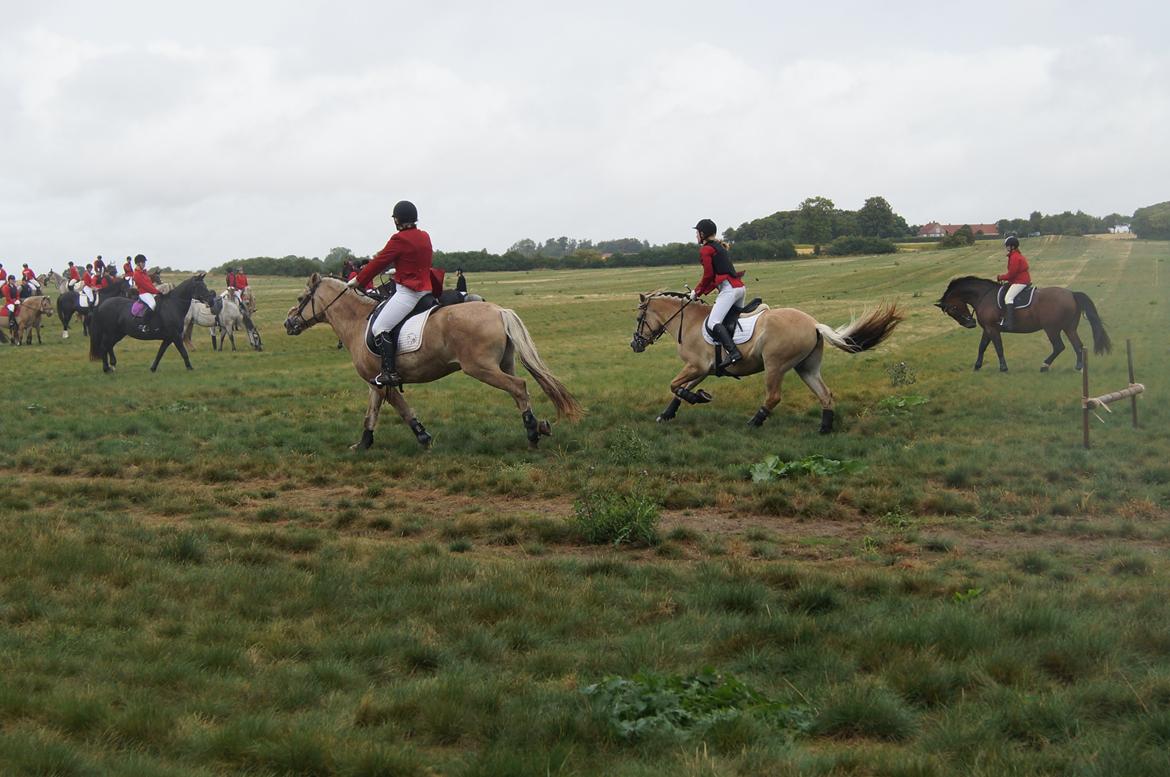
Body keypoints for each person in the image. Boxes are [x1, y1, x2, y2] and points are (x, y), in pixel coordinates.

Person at [348, 200, 433, 387]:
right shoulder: (424, 236)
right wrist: (399, 270)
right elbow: (419, 261)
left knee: (380, 327)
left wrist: (358, 280)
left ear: (398, 220)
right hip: (427, 290)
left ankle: (389, 372)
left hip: (408, 293)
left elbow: (378, 262)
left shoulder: (399, 239)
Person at [690, 218, 746, 368]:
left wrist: (697, 292)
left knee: (714, 322)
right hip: (739, 288)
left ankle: (733, 353)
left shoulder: (706, 249)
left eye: (697, 233)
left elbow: (708, 275)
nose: (696, 236)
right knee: (730, 321)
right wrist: (701, 291)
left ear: (702, 234)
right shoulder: (719, 246)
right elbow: (715, 277)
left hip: (730, 290)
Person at [998, 235, 1031, 331]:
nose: (1006, 247)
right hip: (1018, 280)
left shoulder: (1015, 257)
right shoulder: (1015, 255)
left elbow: (1011, 274)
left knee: (1008, 298)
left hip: (1020, 281)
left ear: (1012, 246)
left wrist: (1000, 277)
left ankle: (1010, 323)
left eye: (1007, 246)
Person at [131, 254, 163, 331]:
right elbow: (145, 286)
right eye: (143, 262)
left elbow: (149, 284)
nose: (144, 264)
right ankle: (144, 324)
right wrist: (156, 291)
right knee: (153, 304)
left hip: (149, 292)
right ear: (138, 263)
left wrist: (156, 290)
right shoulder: (136, 274)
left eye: (144, 262)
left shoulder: (144, 272)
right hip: (143, 293)